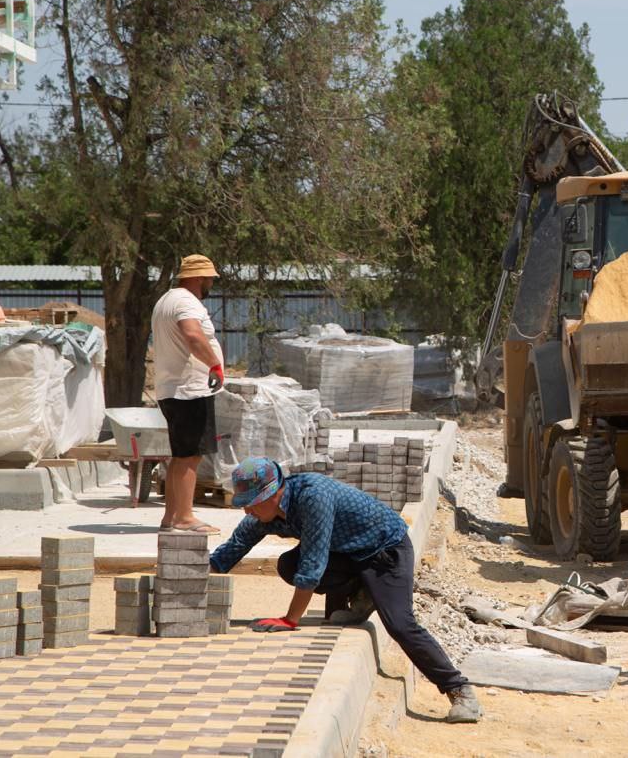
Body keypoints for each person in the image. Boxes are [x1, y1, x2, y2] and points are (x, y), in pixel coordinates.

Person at [210, 457, 483, 724]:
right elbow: (235, 546)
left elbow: (314, 563)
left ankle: (459, 690)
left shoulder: (312, 497)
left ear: (273, 494)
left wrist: (289, 619)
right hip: (347, 554)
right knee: (287, 565)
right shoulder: (267, 512)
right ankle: (363, 593)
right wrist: (191, 576)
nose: (247, 511)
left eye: (251, 504)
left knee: (400, 624)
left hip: (384, 552)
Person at [150, 254, 225, 534]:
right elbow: (192, 335)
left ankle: (171, 517)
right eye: (208, 279)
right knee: (190, 455)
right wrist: (215, 365)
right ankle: (184, 517)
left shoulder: (166, 300)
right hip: (189, 390)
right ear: (196, 277)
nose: (210, 284)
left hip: (172, 389)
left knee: (181, 455)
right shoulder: (185, 302)